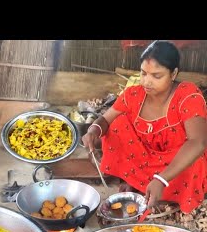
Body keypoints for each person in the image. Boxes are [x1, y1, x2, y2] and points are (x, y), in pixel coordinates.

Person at [82, 40, 207, 213]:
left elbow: (198, 142)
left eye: (156, 76)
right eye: (143, 73)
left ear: (173, 74)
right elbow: (105, 120)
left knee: (195, 159)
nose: (147, 82)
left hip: (175, 162)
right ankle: (135, 182)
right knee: (118, 124)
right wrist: (92, 131)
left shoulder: (188, 95)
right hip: (144, 158)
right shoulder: (133, 94)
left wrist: (162, 179)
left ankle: (163, 191)